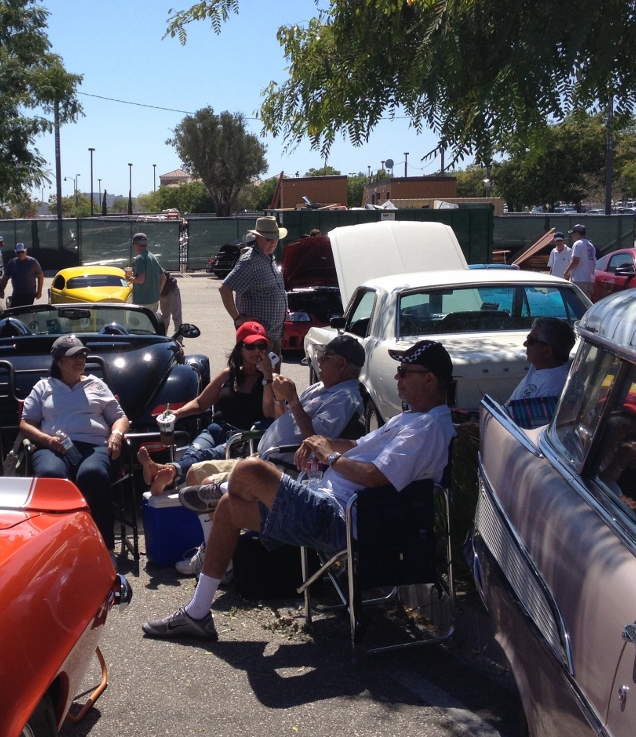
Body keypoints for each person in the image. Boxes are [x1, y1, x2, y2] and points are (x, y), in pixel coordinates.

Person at [143, 340, 456, 640]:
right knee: (228, 507)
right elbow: (358, 446)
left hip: (344, 519)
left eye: (405, 371)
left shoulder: (426, 429)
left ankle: (226, 485)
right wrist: (320, 442)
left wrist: (328, 456)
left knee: (250, 470)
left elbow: (374, 476)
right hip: (327, 501)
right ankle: (197, 614)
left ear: (429, 379)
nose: (397, 377)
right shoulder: (411, 418)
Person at [136, 320, 277, 495]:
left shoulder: (271, 381)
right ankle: (167, 476)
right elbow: (201, 403)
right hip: (218, 430)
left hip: (243, 438)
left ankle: (165, 471)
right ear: (240, 348)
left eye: (261, 346)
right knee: (193, 452)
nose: (257, 351)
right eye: (250, 346)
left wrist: (267, 378)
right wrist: (177, 413)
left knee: (204, 457)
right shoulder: (228, 375)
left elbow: (270, 414)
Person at [19, 334, 131, 550]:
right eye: (73, 356)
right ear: (59, 361)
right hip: (52, 447)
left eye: (83, 355)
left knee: (92, 474)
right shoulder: (43, 387)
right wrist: (47, 440)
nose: (80, 360)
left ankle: (103, 547)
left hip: (94, 447)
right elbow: (26, 424)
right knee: (52, 476)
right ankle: (53, 545)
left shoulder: (96, 384)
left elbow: (120, 418)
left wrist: (116, 434)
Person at [220, 216, 288, 356]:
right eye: (269, 239)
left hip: (274, 335)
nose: (273, 242)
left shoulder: (269, 258)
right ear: (258, 237)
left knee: (272, 376)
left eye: (275, 238)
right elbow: (225, 289)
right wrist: (238, 319)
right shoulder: (250, 262)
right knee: (256, 376)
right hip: (256, 338)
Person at [508, 317, 575, 402]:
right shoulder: (541, 365)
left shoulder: (552, 389)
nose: (525, 344)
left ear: (547, 351)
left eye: (530, 340)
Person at [130, 233, 165, 309]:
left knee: (133, 320)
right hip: (154, 301)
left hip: (142, 302)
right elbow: (163, 278)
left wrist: (128, 278)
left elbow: (141, 279)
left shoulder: (139, 259)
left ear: (136, 245)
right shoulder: (153, 257)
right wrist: (157, 294)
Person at [5, 242, 44, 308]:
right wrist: (1, 290)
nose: (20, 254)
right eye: (18, 252)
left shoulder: (32, 262)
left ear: (26, 251)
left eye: (22, 252)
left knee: (26, 311)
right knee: (14, 310)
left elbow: (40, 276)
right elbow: (5, 277)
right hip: (17, 293)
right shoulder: (12, 263)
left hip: (29, 293)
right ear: (16, 253)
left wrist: (39, 291)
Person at [563, 223, 597, 297]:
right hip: (589, 279)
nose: (572, 236)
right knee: (586, 303)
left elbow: (575, 261)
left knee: (578, 302)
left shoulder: (578, 244)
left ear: (577, 233)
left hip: (579, 279)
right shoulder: (590, 245)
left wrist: (566, 271)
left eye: (573, 233)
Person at [158, 269, 182, 335]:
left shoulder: (154, 266)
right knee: (165, 317)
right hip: (162, 294)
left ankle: (178, 338)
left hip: (171, 291)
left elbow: (164, 278)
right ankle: (163, 336)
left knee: (176, 316)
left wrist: (158, 293)